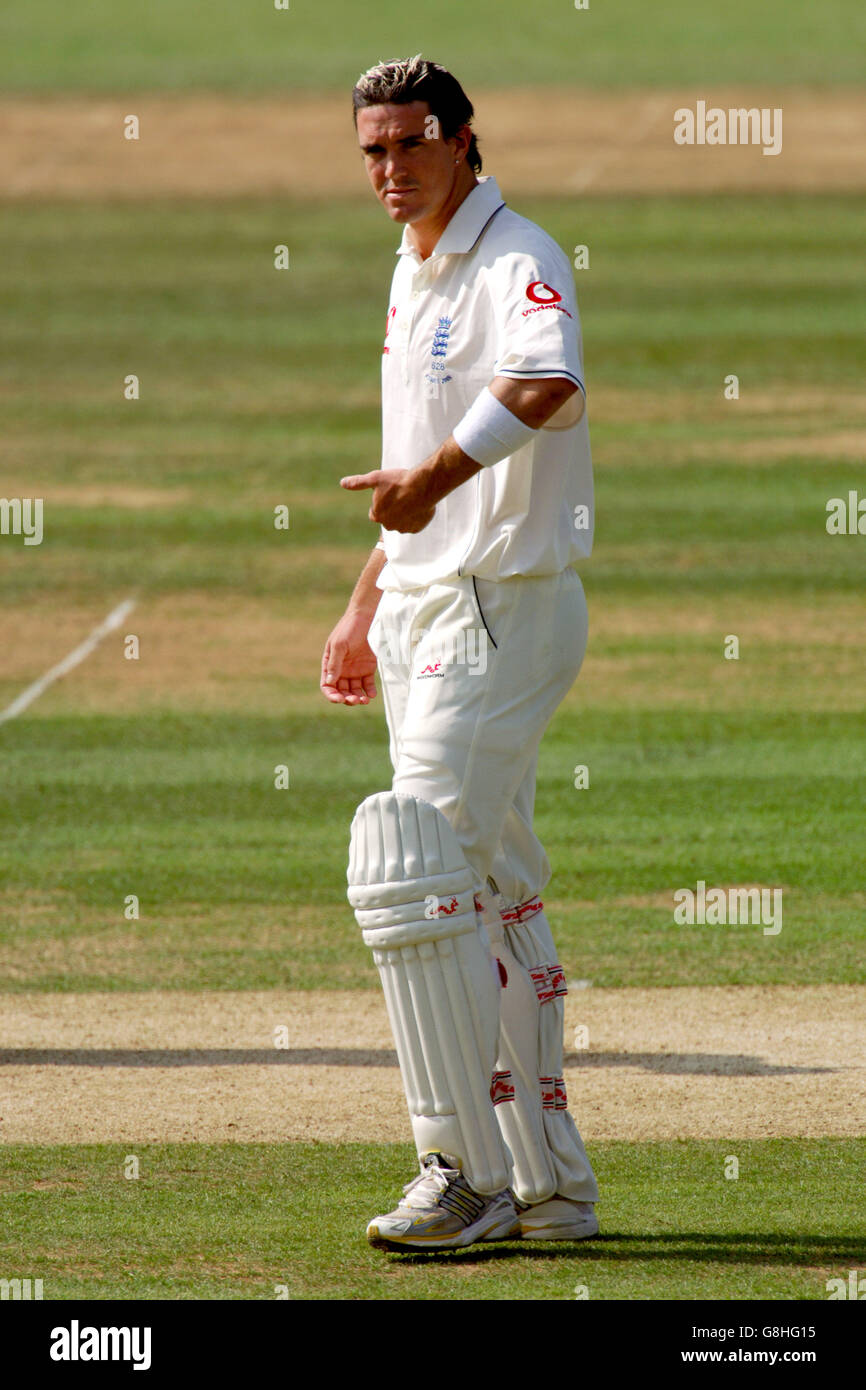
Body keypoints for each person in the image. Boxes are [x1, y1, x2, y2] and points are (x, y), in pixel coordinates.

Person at [321, 55, 599, 1251]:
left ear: (463, 138)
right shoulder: (412, 262)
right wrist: (361, 601)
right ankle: (548, 1186)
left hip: (500, 607)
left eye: (410, 143)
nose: (391, 170)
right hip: (427, 608)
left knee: (410, 869)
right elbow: (409, 462)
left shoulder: (515, 254)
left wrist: (437, 478)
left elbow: (544, 380)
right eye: (373, 150)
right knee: (484, 891)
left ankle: (461, 1175)